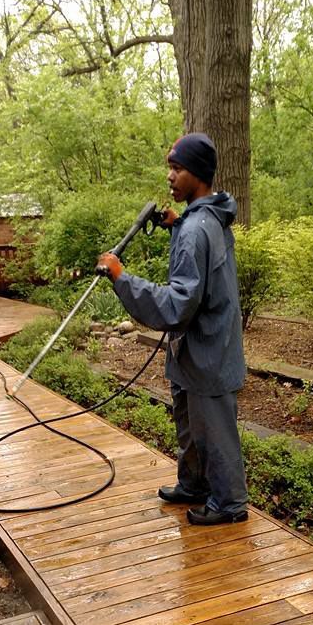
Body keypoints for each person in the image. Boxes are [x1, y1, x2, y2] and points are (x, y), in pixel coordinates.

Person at [96, 132, 248, 525]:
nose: (169, 176)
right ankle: (194, 485)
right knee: (190, 422)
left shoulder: (197, 229)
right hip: (197, 348)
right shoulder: (202, 218)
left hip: (206, 349)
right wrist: (175, 224)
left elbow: (179, 305)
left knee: (213, 430)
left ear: (197, 173)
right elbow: (197, 257)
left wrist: (121, 278)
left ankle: (229, 504)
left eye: (177, 169)